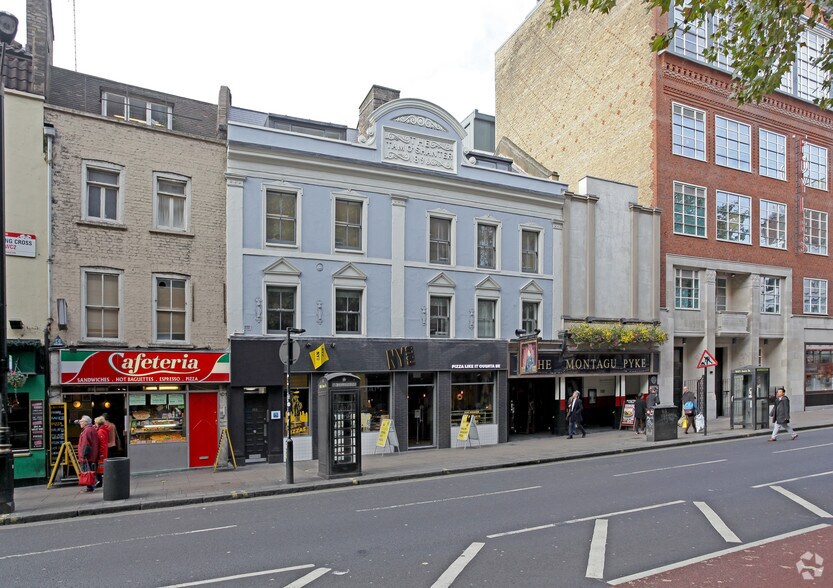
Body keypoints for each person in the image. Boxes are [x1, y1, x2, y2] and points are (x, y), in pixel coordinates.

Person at [77, 415, 99, 492]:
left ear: (86, 422)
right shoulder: (91, 429)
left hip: (88, 456)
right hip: (92, 455)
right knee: (90, 471)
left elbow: (85, 444)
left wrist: (84, 455)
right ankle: (91, 486)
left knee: (87, 472)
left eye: (81, 421)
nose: (80, 422)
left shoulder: (86, 431)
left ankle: (91, 486)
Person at [94, 416, 110, 488]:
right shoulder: (103, 430)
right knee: (101, 468)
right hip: (104, 451)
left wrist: (100, 453)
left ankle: (100, 482)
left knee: (100, 468)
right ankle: (100, 482)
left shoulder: (100, 431)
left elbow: (101, 443)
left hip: (101, 453)